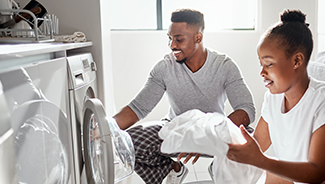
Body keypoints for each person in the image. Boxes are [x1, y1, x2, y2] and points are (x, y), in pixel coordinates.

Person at [113, 8, 256, 184]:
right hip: (176, 131)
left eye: (179, 39)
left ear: (198, 37)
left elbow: (246, 109)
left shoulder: (224, 65)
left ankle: (219, 167)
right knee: (127, 141)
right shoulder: (164, 67)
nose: (172, 45)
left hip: (214, 133)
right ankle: (173, 170)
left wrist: (206, 133)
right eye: (170, 38)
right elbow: (138, 108)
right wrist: (105, 128)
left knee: (253, 139)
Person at [227, 9, 325, 184]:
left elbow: (317, 173)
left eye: (269, 64)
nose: (262, 72)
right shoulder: (273, 98)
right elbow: (257, 144)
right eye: (261, 64)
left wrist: (261, 160)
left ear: (297, 61)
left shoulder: (321, 100)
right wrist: (208, 140)